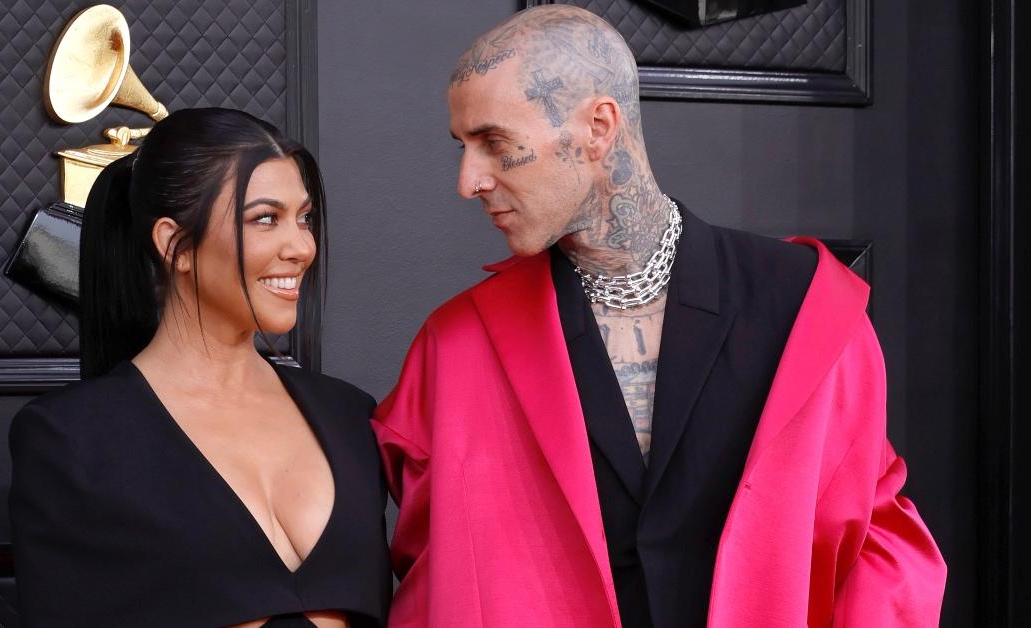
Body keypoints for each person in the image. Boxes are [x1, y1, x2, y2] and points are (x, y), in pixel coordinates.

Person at [373, 6, 946, 627]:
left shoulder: (804, 307)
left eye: (494, 143)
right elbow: (436, 571)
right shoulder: (457, 346)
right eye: (463, 147)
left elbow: (875, 544)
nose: (468, 180)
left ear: (598, 127)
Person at [9, 108, 391, 627]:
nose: (302, 246)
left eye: (304, 218)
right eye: (264, 218)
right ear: (174, 245)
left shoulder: (351, 416)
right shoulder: (72, 438)